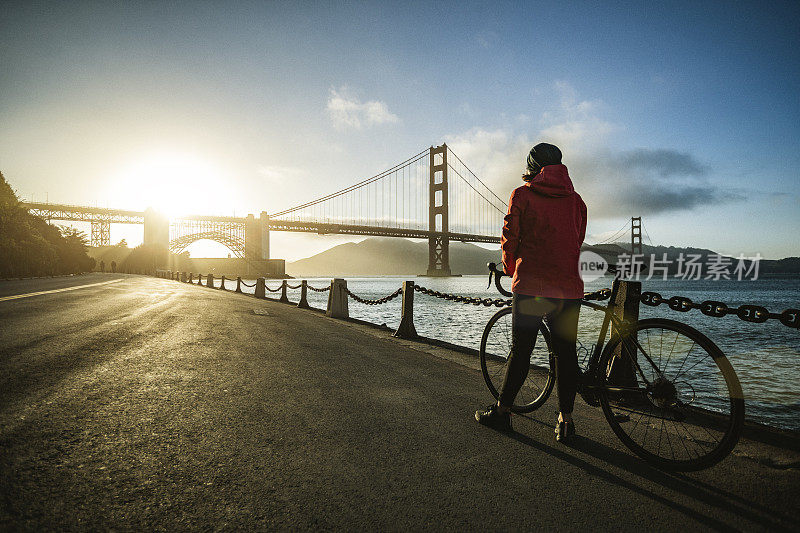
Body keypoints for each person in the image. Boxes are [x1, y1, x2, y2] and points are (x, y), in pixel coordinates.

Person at [475, 142, 587, 443]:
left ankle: (503, 413)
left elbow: (509, 238)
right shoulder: (577, 201)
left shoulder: (521, 195)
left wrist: (510, 268)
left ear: (532, 166)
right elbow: (577, 240)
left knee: (521, 352)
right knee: (566, 355)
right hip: (569, 289)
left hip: (533, 288)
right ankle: (566, 422)